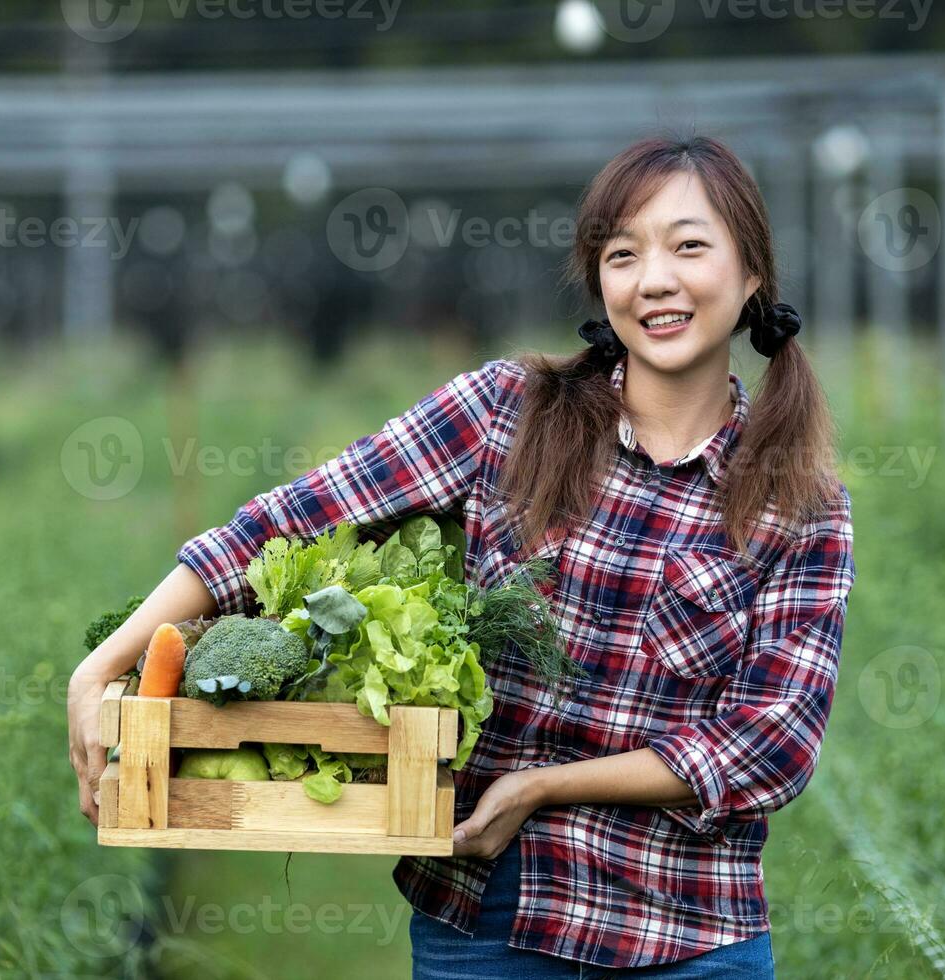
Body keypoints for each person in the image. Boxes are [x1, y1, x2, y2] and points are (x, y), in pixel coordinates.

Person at [67, 133, 855, 979]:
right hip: (488, 923)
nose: (655, 280)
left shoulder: (797, 503)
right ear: (600, 281)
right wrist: (107, 662)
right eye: (623, 254)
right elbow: (288, 522)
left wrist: (548, 786)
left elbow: (772, 743)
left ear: (752, 275)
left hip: (691, 936)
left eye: (689, 246)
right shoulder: (503, 414)